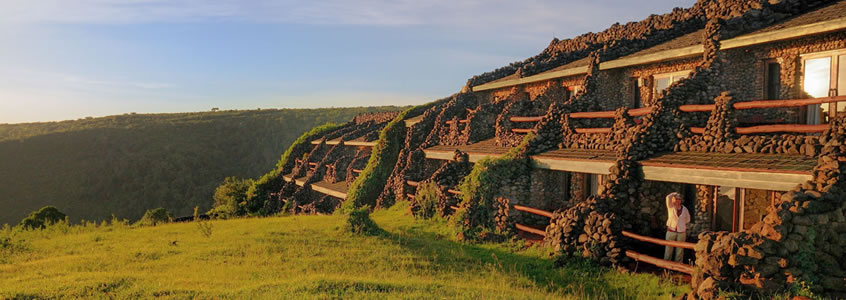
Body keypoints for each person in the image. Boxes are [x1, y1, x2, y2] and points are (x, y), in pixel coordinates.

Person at [664, 192, 690, 262]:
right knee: (668, 250)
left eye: (679, 199)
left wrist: (681, 224)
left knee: (680, 250)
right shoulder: (670, 207)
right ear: (673, 200)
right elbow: (667, 197)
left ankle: (678, 267)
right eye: (676, 199)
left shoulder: (685, 209)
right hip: (671, 231)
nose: (677, 200)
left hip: (681, 232)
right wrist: (674, 194)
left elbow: (688, 219)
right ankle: (666, 266)